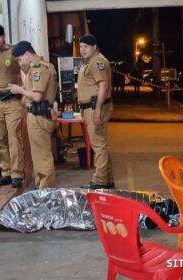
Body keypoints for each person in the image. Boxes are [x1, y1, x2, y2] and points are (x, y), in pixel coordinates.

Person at [9, 41, 57, 189]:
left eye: (20, 59)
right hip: (37, 116)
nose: (19, 63)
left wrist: (20, 90)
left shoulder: (39, 68)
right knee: (38, 157)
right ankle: (41, 189)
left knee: (43, 158)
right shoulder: (35, 68)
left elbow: (36, 97)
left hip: (39, 117)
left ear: (27, 55)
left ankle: (46, 191)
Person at [0, 22, 24, 188]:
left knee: (13, 138)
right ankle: (6, 172)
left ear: (4, 36)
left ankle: (17, 174)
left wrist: (24, 92)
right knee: (0, 139)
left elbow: (25, 69)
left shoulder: (13, 52)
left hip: (12, 101)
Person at [77, 34, 114, 190]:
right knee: (100, 144)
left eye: (86, 46)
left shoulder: (97, 61)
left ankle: (99, 180)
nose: (82, 50)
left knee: (98, 145)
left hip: (95, 107)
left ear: (94, 47)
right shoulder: (89, 62)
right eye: (80, 46)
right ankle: (107, 179)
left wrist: (97, 109)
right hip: (90, 107)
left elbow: (103, 86)